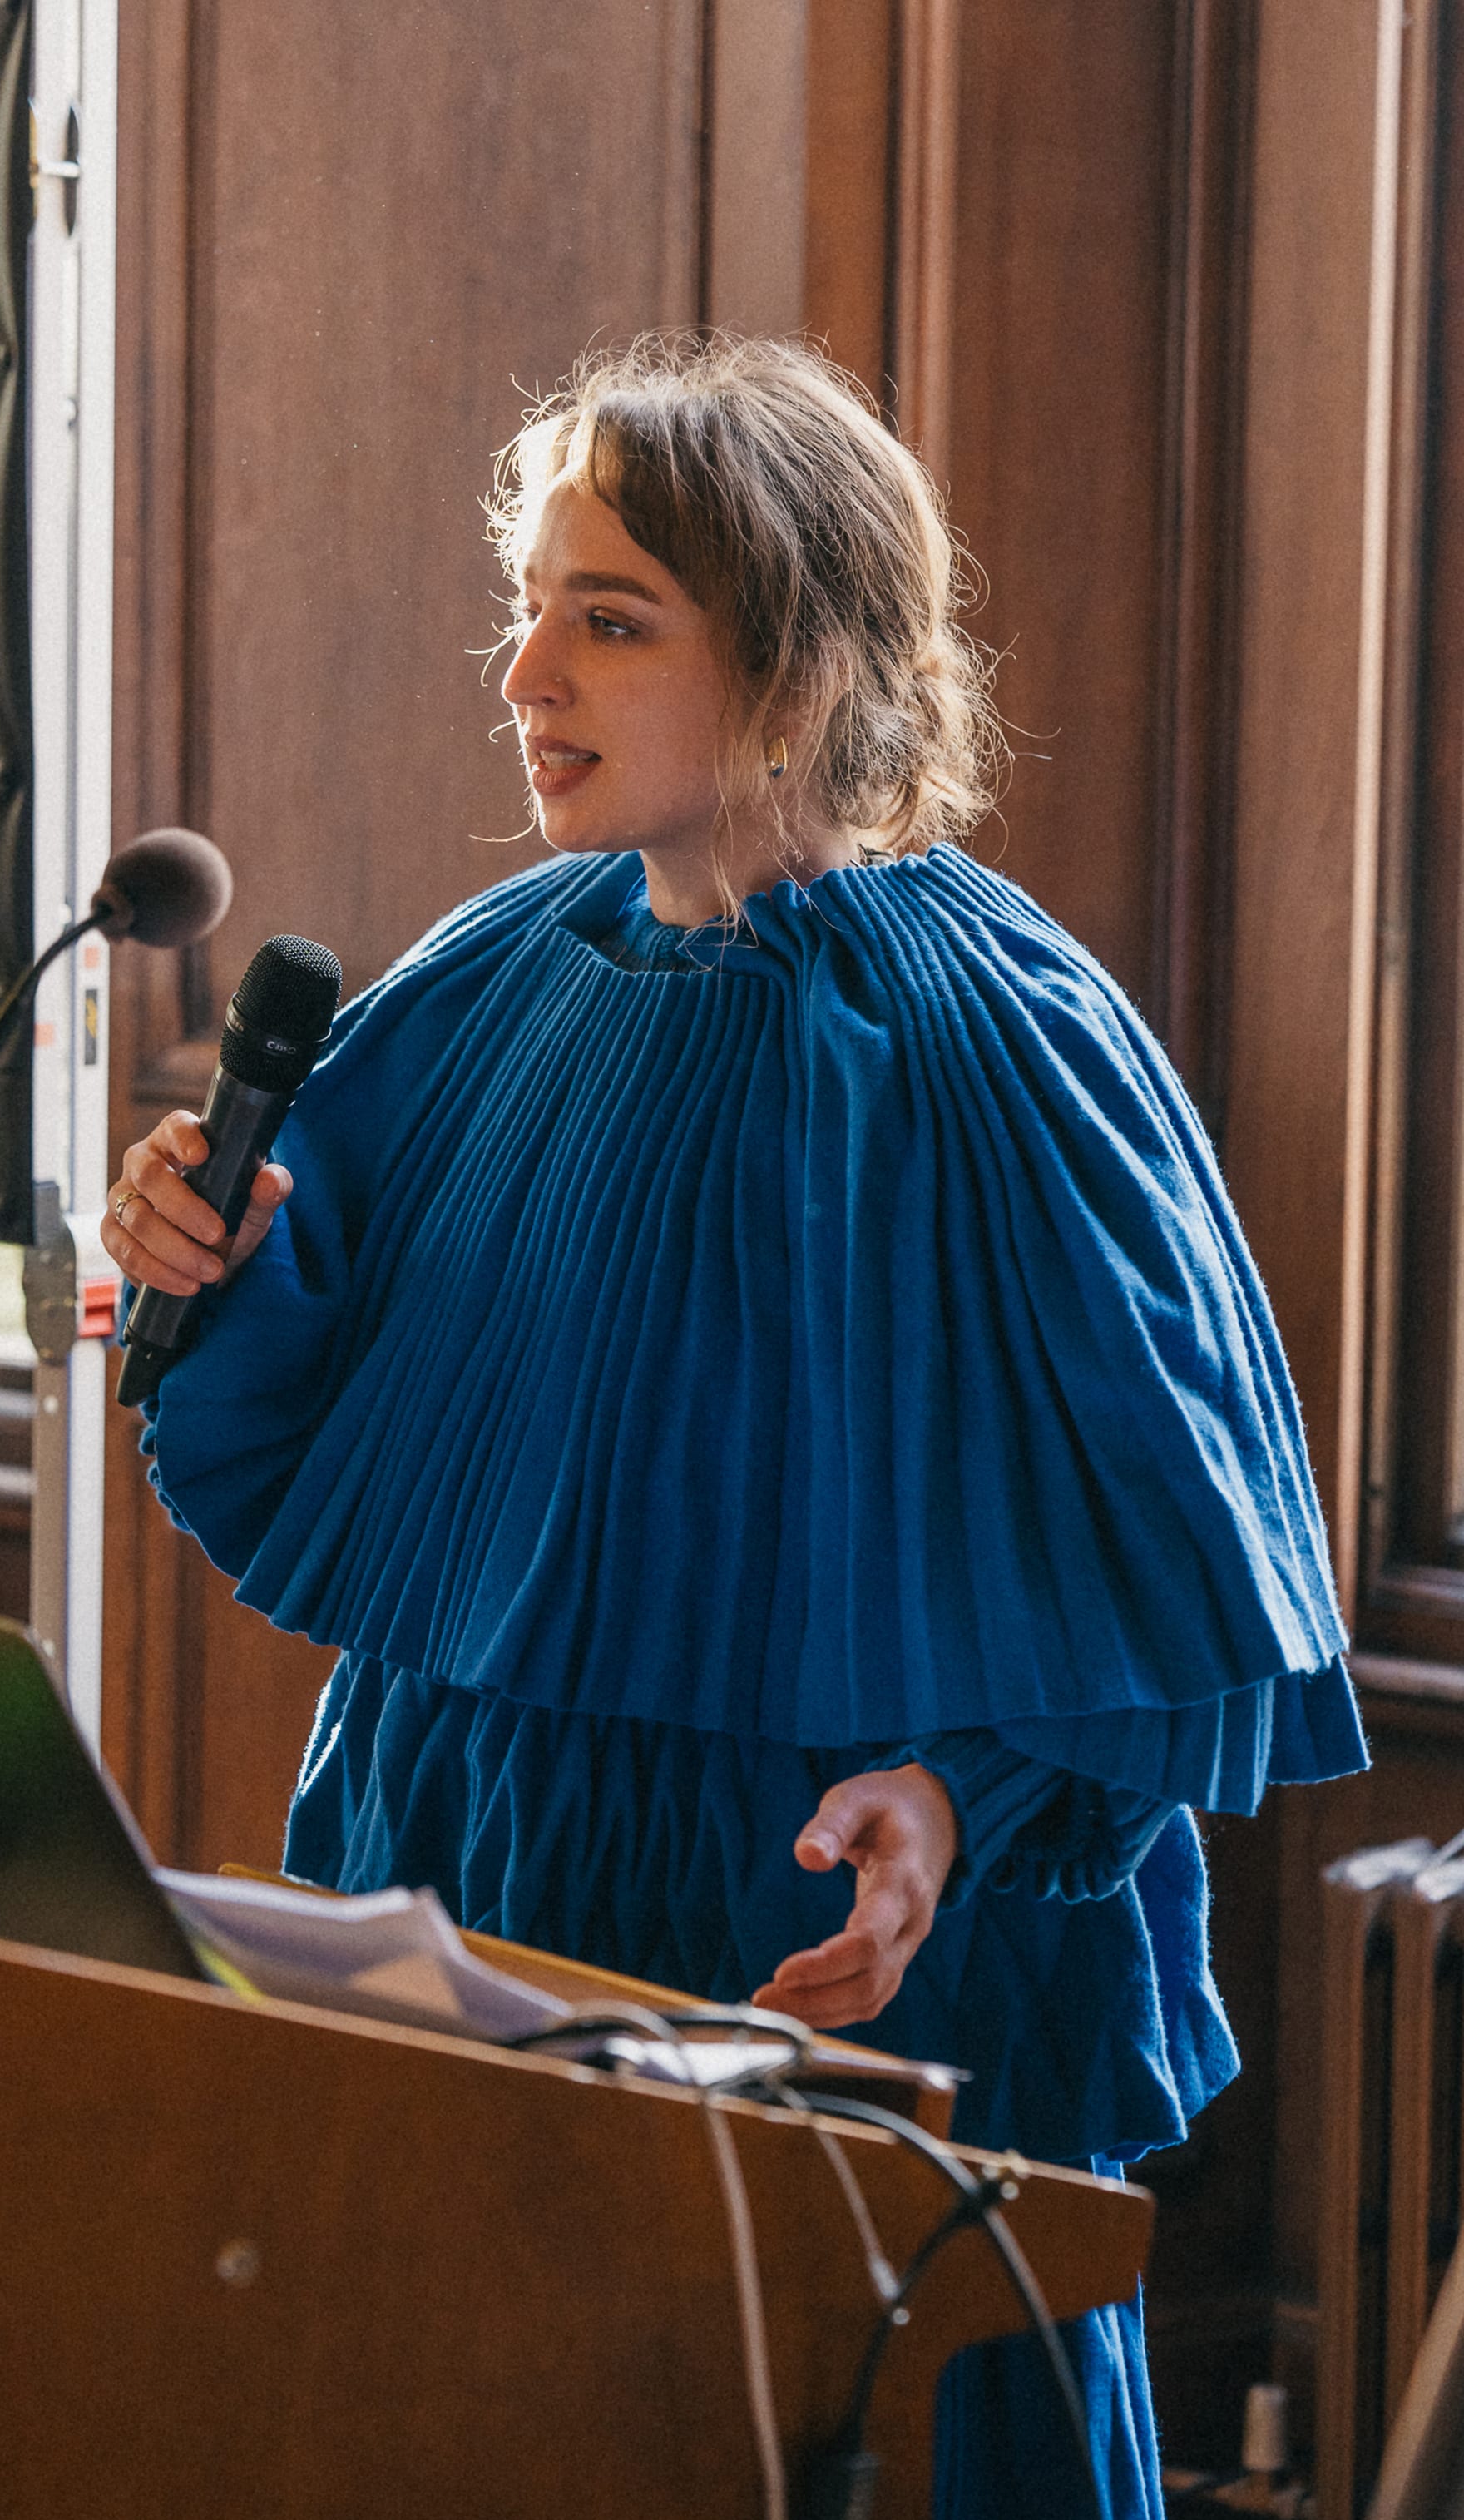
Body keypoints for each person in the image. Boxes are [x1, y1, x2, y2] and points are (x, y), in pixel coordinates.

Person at [102, 334, 1366, 2518]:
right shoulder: (497, 971)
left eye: (612, 620)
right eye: (534, 606)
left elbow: (1181, 1556)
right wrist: (210, 1252)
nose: (530, 676)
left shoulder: (1003, 1033)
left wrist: (960, 1806)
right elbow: (301, 1398)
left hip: (815, 1945)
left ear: (797, 662)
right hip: (476, 1871)